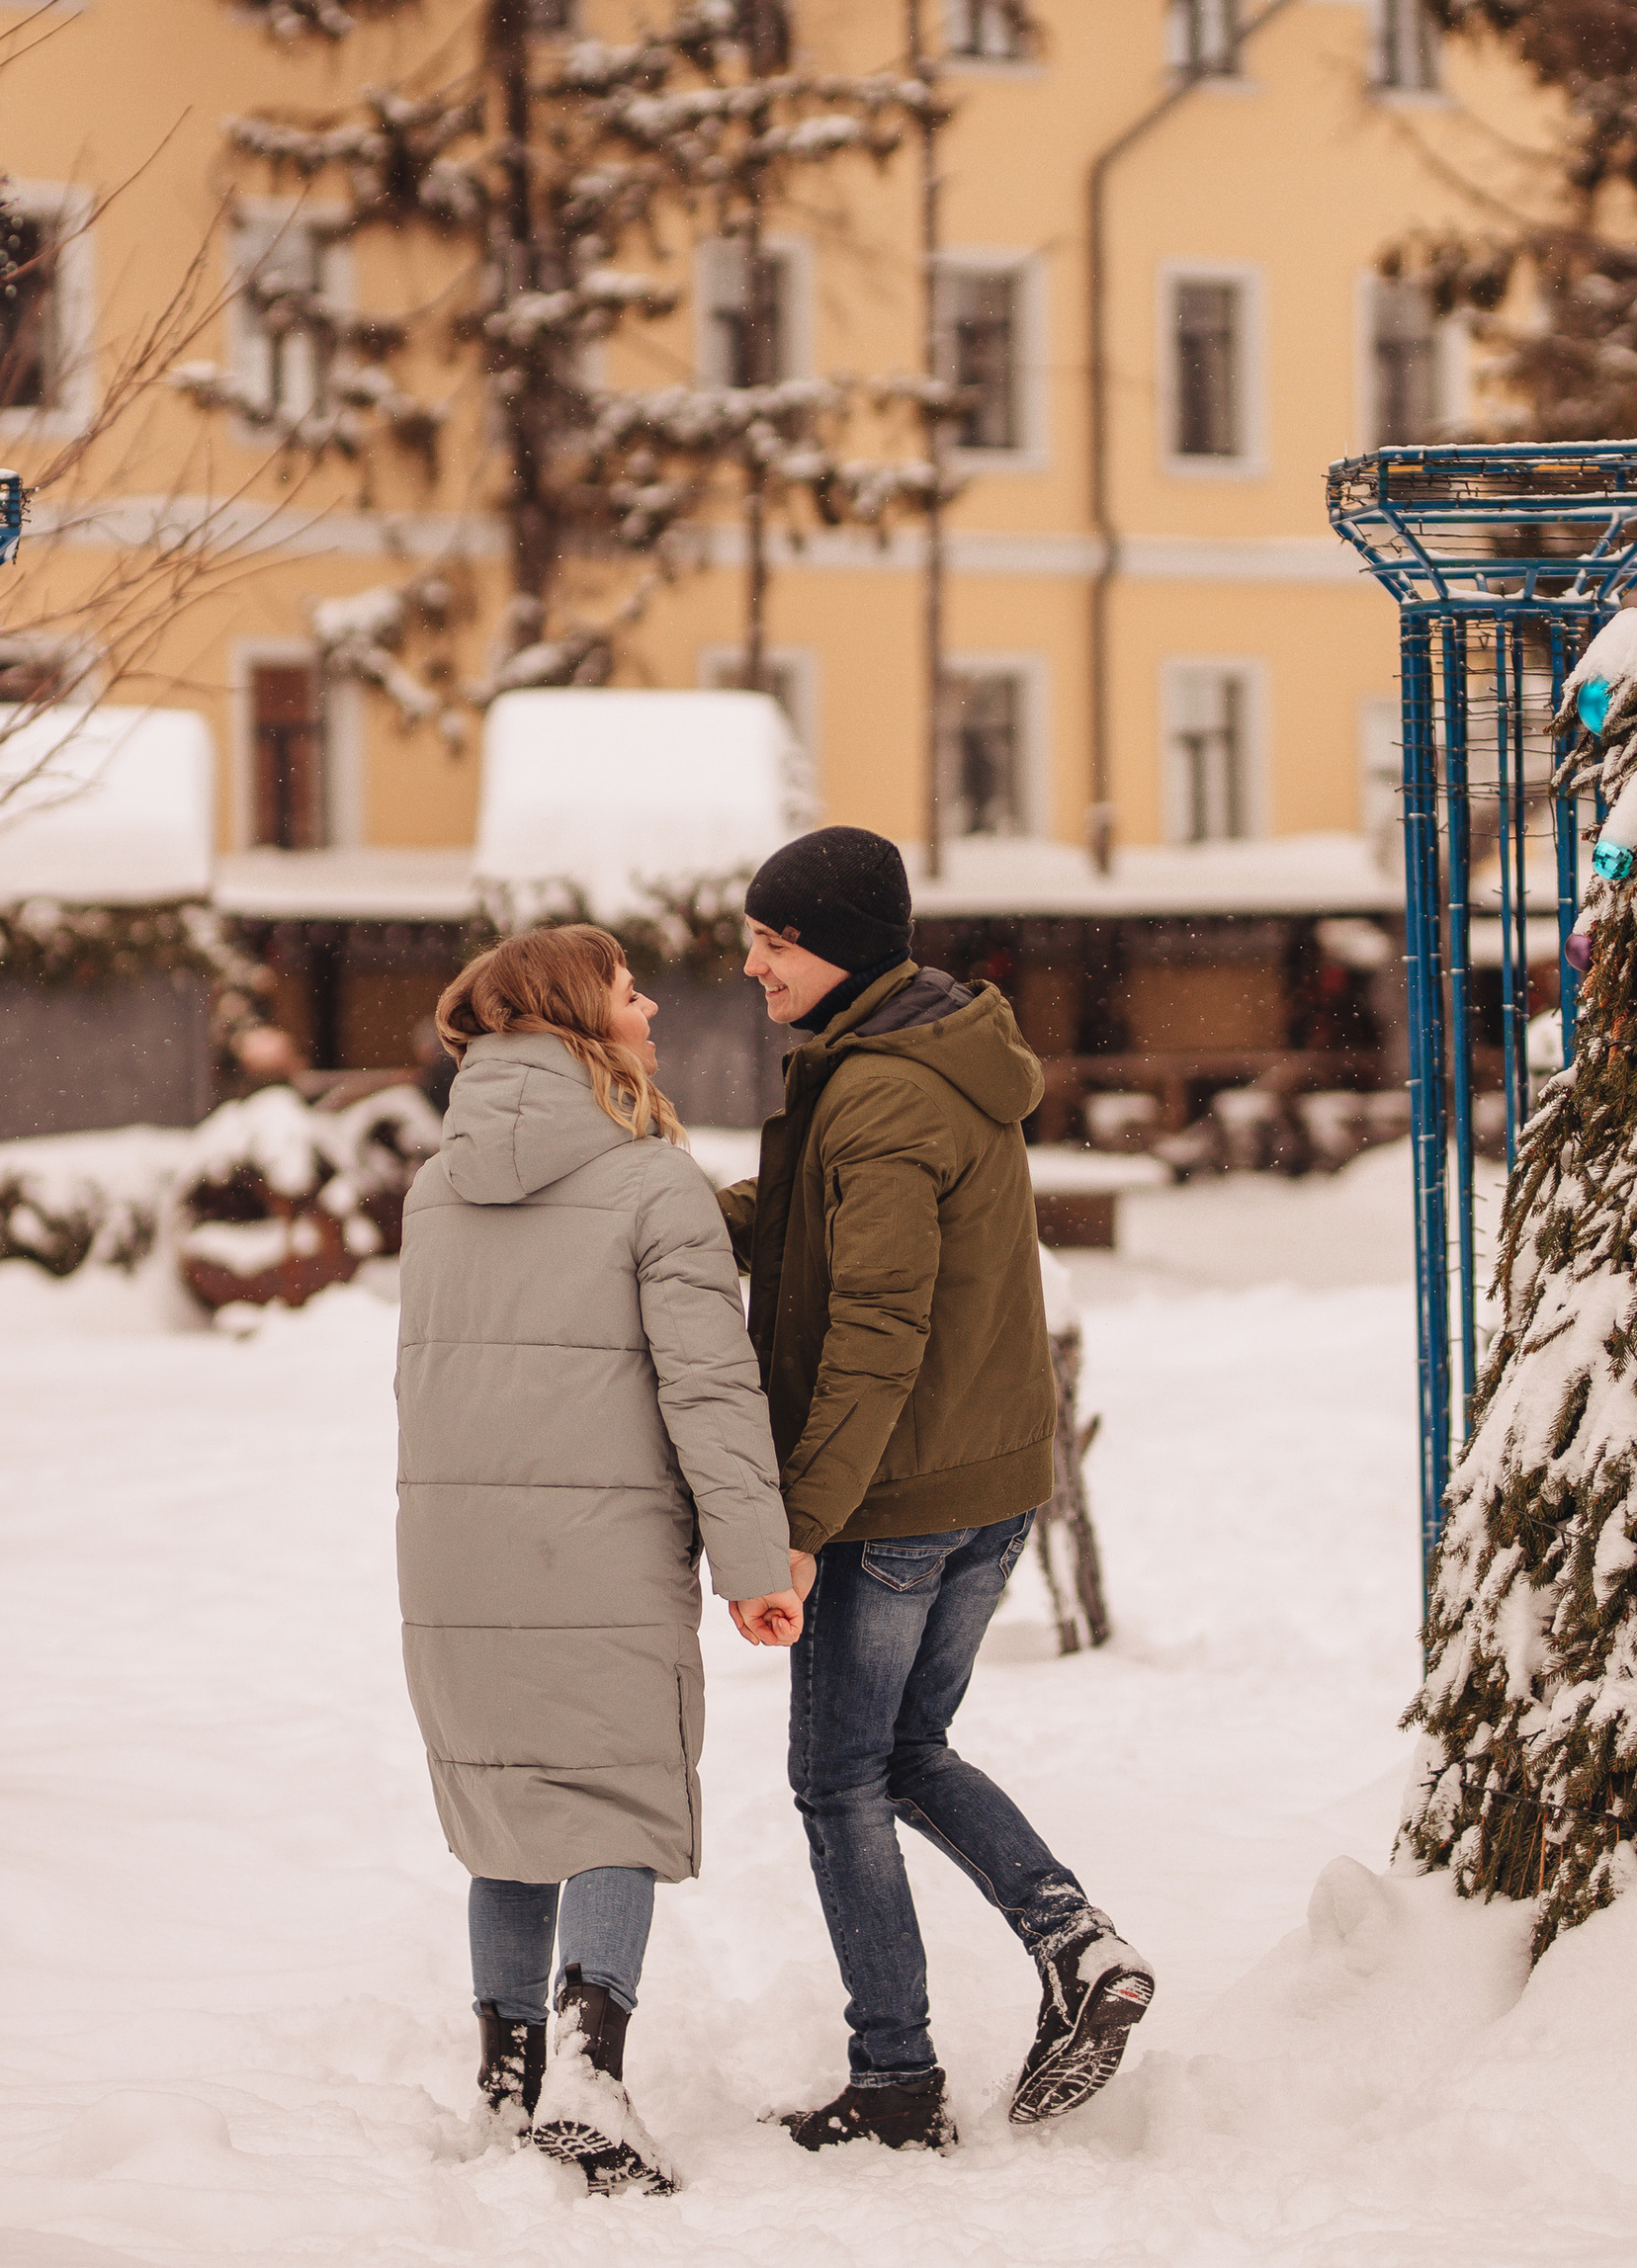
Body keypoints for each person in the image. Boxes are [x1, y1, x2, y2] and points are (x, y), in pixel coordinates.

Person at [719, 824, 1156, 2153]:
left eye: (772, 942)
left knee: (839, 1779)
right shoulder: (924, 1055)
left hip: (900, 1504)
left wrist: (798, 1528)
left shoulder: (885, 1091)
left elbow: (876, 1328)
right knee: (906, 1754)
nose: (752, 967)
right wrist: (674, 1214)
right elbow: (829, 1221)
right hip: (990, 1480)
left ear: (834, 945)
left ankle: (898, 2080)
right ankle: (1076, 1948)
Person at [395, 925, 803, 2196]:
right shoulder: (655, 1185)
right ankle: (590, 2066)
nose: (654, 1009)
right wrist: (754, 1562)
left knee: (508, 1808)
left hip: (455, 1545)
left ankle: (508, 2084)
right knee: (616, 1794)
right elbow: (711, 1393)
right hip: (604, 1536)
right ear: (583, 1020)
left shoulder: (434, 1185)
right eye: (630, 993)